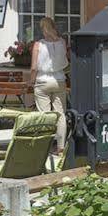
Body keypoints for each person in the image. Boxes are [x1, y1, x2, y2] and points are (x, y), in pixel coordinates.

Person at [31, 17, 67, 150]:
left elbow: (34, 68)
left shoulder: (38, 45)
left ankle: (44, 147)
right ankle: (61, 147)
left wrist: (31, 81)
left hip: (42, 81)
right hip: (59, 80)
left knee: (45, 115)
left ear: (43, 29)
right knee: (60, 114)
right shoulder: (62, 42)